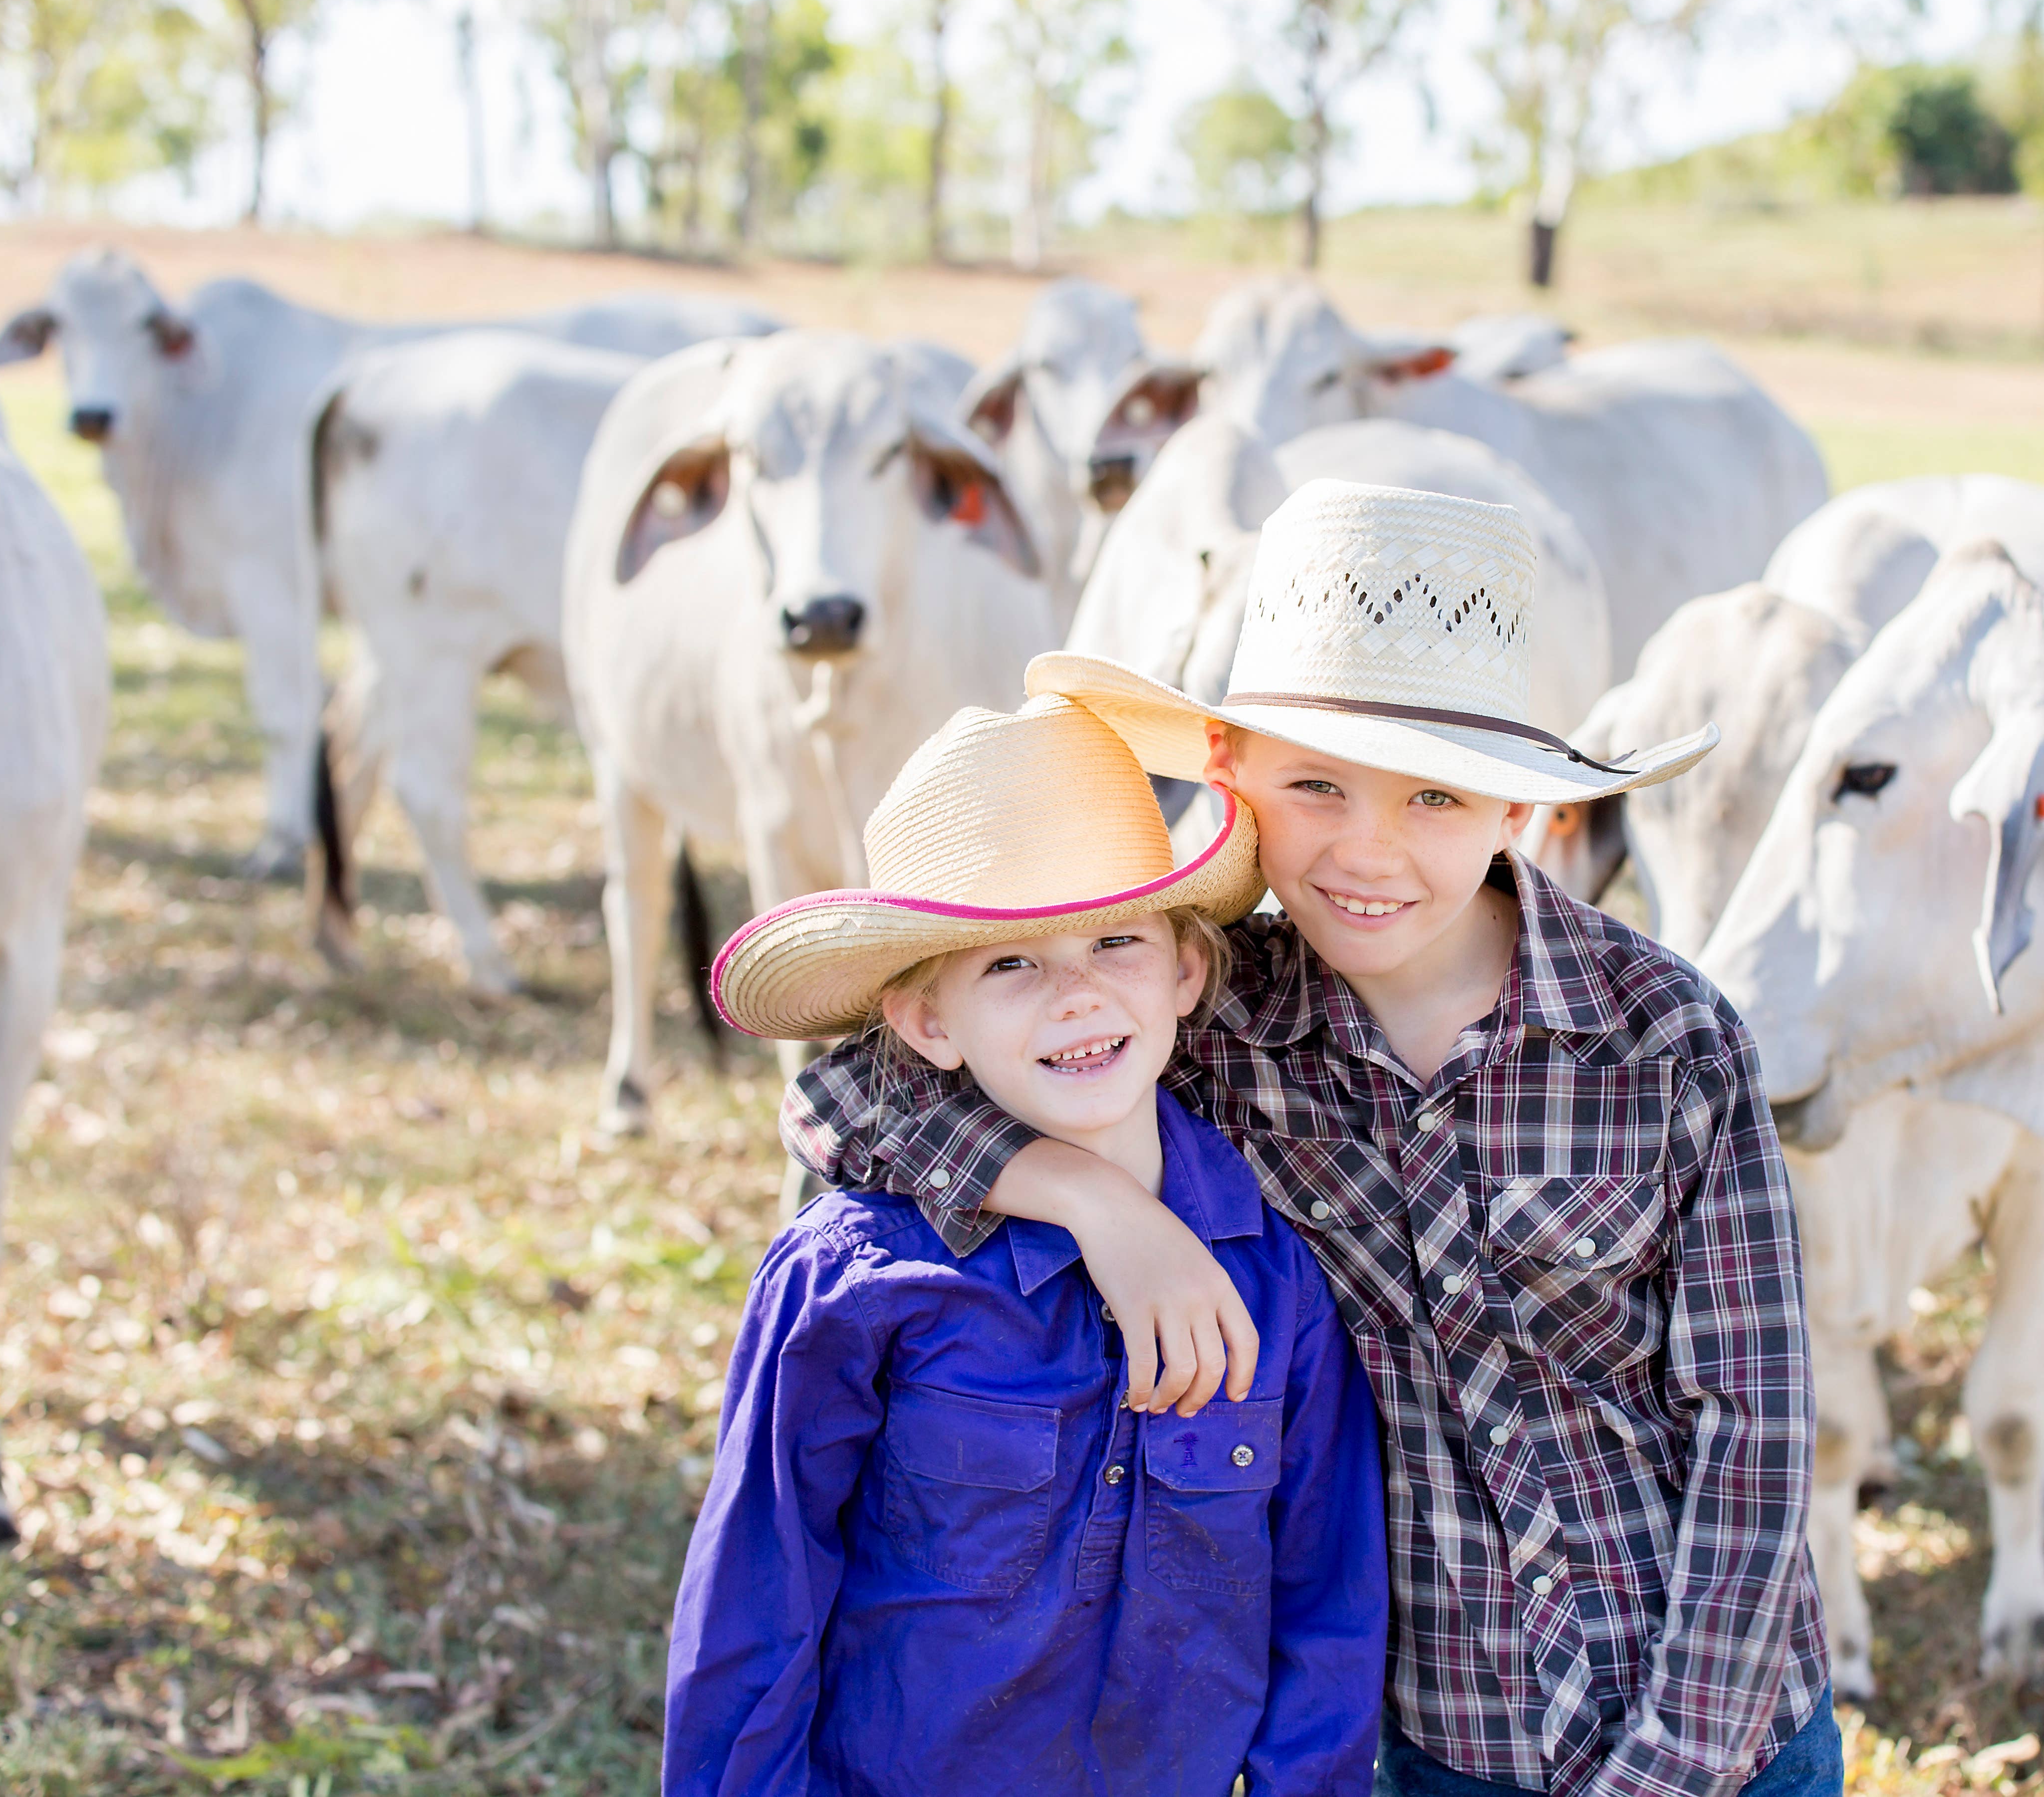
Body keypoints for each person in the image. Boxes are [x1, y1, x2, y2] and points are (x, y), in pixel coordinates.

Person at [786, 482, 1839, 1796]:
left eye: (1438, 799)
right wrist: (1099, 1206)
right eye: (1317, 785)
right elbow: (840, 1098)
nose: (1368, 849)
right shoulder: (1205, 1014)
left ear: (1523, 807)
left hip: (1717, 1728)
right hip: (1427, 1735)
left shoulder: (1662, 1037)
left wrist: (1676, 1762)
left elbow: (1755, 1418)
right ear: (1229, 777)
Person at [663, 695, 1386, 1797]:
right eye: (1010, 962)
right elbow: (758, 1598)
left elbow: (1323, 1608)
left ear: (1187, 970)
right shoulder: (858, 1276)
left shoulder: (1273, 1277)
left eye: (1115, 940)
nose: (1078, 991)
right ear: (926, 1021)